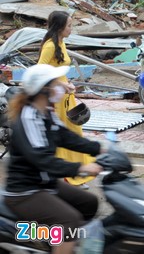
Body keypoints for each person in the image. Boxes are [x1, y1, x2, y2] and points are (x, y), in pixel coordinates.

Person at [3, 64, 103, 254]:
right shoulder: (29, 117)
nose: (61, 86)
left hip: (44, 183)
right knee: (69, 220)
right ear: (44, 89)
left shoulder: (47, 112)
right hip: (25, 191)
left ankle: (62, 245)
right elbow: (42, 160)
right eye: (56, 83)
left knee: (90, 203)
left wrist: (99, 148)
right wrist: (81, 168)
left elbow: (65, 137)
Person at [38, 10, 95, 187]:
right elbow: (40, 70)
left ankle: (76, 171)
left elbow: (57, 69)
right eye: (69, 26)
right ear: (60, 27)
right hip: (55, 97)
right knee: (65, 134)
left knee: (74, 132)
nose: (71, 29)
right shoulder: (50, 46)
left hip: (65, 94)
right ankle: (69, 174)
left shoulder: (60, 42)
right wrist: (61, 84)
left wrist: (67, 82)